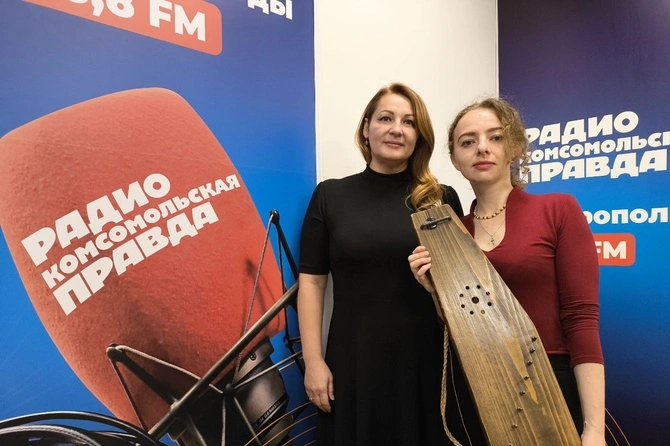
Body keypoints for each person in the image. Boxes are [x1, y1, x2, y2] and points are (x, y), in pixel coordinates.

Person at [409, 98, 606, 446]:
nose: (482, 148)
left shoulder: (558, 210)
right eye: (468, 142)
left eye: (495, 137)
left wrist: (594, 429)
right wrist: (433, 291)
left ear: (514, 147)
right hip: (476, 385)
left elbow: (582, 320)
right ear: (455, 159)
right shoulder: (450, 232)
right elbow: (456, 327)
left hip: (547, 381)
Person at [297, 83, 464, 445]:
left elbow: (459, 291)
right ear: (366, 128)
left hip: (425, 361)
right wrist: (313, 361)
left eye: (409, 122)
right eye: (386, 118)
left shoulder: (440, 199)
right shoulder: (330, 195)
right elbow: (311, 282)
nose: (396, 129)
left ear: (419, 136)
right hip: (353, 361)